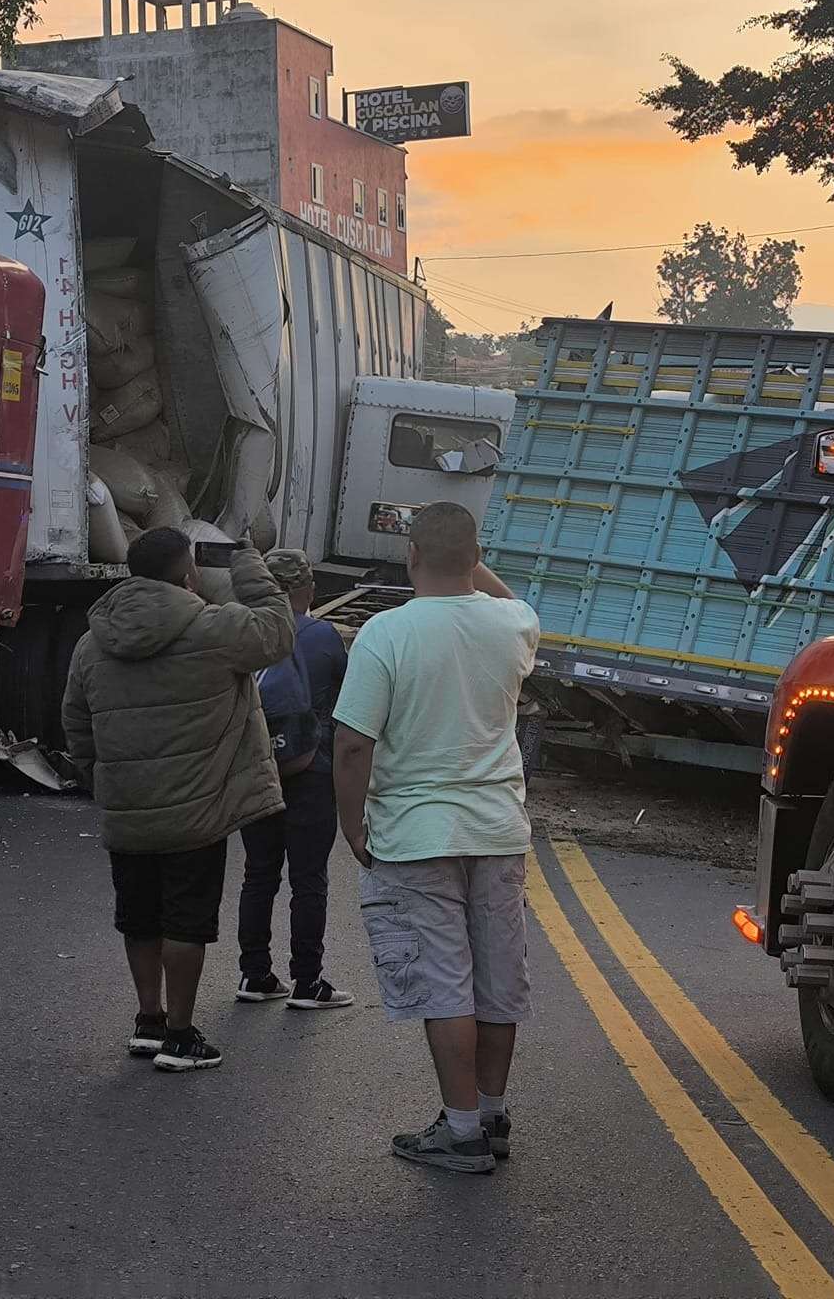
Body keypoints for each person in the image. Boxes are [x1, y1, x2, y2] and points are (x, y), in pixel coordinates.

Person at [332, 501, 540, 1176]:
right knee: (497, 978)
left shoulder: (385, 634)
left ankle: (461, 1131)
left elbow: (352, 744)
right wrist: (467, 559)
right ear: (474, 557)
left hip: (417, 833)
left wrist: (351, 825)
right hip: (498, 831)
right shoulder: (513, 625)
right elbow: (509, 599)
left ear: (411, 556)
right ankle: (491, 1112)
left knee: (446, 983)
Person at [63, 527, 293, 1073]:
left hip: (128, 810)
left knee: (138, 917)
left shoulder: (92, 641)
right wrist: (247, 563)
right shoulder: (214, 629)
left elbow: (75, 721)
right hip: (196, 811)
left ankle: (149, 1020)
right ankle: (182, 1035)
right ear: (188, 573)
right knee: (185, 923)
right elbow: (278, 629)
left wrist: (103, 777)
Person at [233, 549, 353, 1010]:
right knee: (309, 879)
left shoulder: (242, 632)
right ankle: (307, 982)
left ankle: (255, 974)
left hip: (259, 770)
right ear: (305, 589)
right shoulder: (322, 636)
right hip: (312, 770)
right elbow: (344, 704)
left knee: (258, 874)